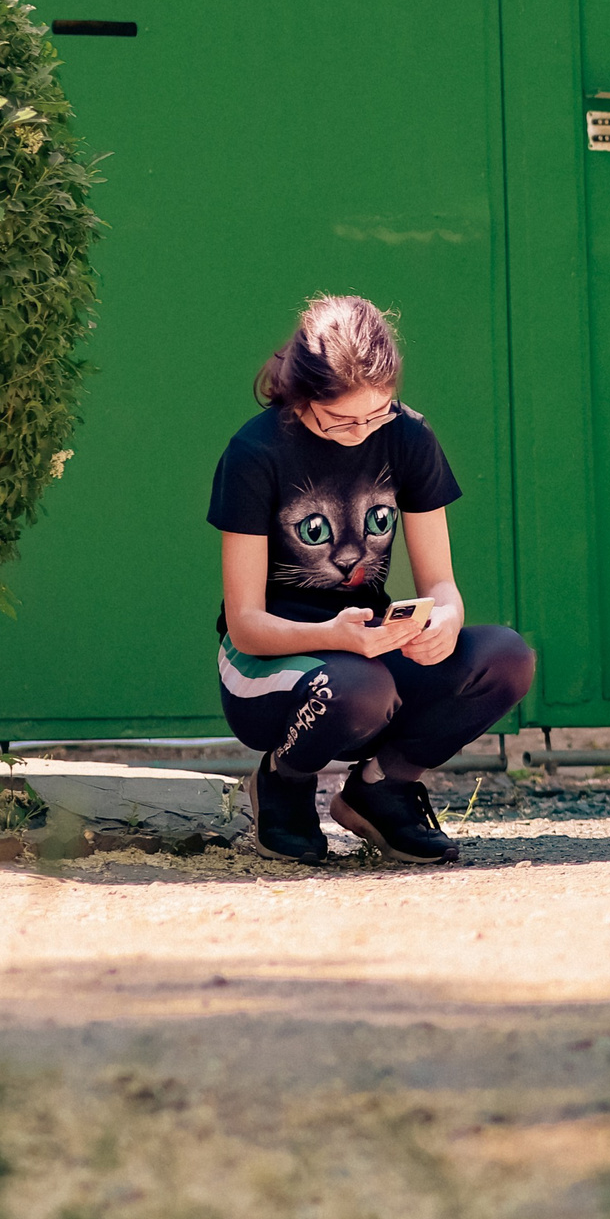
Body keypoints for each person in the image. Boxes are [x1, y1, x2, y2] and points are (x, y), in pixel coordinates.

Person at [209, 294, 534, 865]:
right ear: (304, 397)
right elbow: (247, 625)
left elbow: (442, 585)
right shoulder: (254, 452)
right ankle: (284, 783)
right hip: (267, 660)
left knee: (506, 657)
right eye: (341, 419)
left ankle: (381, 788)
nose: (361, 431)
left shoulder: (408, 436)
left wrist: (445, 620)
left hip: (365, 642)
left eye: (376, 413)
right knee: (360, 687)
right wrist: (337, 636)